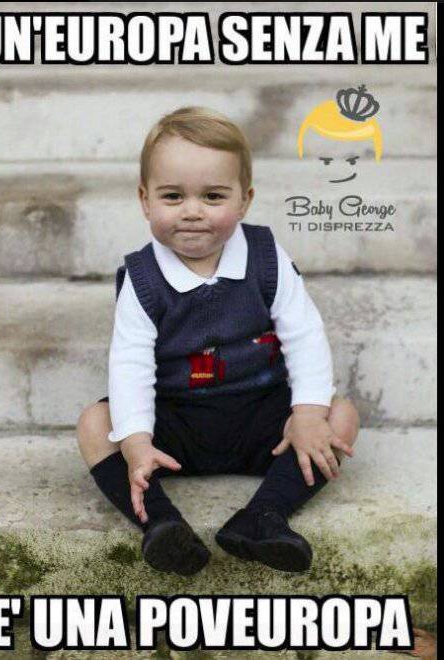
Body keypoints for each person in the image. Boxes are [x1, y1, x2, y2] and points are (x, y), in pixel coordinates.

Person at [77, 106, 360, 576]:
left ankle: (264, 516)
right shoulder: (143, 279)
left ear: (244, 200)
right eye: (173, 196)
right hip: (176, 423)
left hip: (260, 416)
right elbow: (129, 363)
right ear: (145, 200)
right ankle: (162, 525)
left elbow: (304, 333)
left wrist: (308, 415)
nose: (192, 211)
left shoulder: (265, 257)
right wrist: (137, 441)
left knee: (341, 414)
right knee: (95, 424)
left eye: (212, 196)